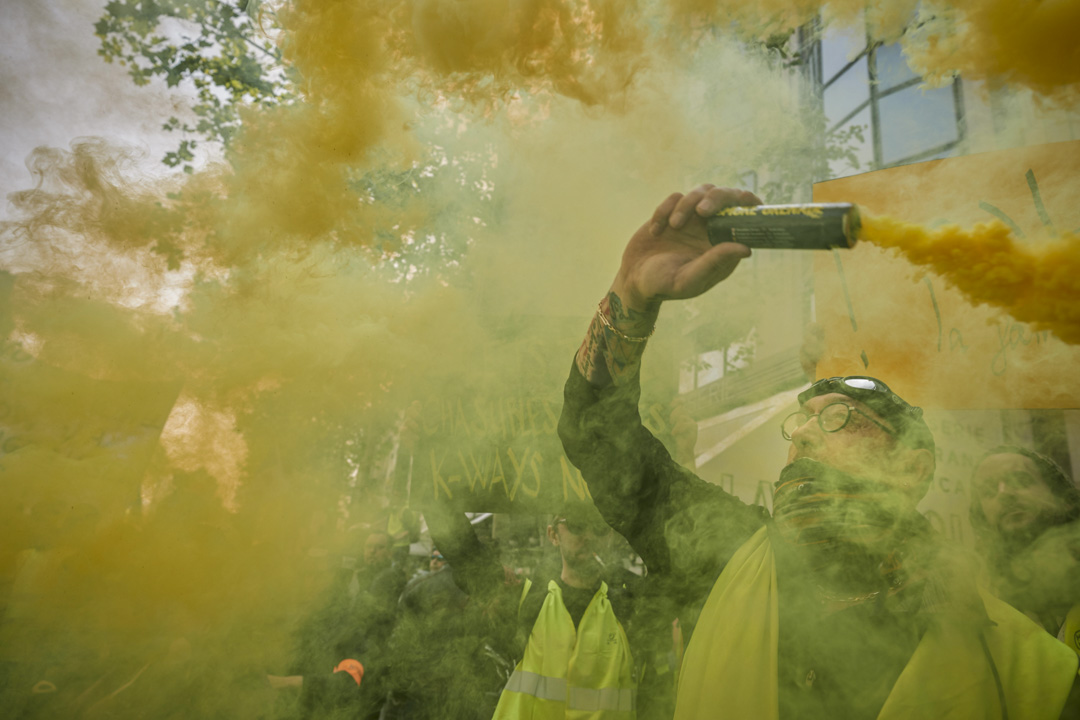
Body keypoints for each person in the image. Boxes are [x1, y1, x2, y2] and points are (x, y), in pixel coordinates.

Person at [557, 184, 1080, 719]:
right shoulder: (721, 550)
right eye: (801, 421)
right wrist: (632, 295)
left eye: (837, 419)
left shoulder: (1031, 668)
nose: (803, 434)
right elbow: (596, 435)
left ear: (911, 467)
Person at [426, 505, 639, 719]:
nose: (589, 535)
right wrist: (429, 490)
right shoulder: (528, 600)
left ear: (611, 536)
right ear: (553, 535)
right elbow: (466, 555)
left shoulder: (630, 606)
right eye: (577, 524)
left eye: (600, 528)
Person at [970, 445, 1080, 652]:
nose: (1004, 494)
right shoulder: (980, 603)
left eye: (1020, 481)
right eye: (988, 491)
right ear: (983, 519)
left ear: (1064, 500)